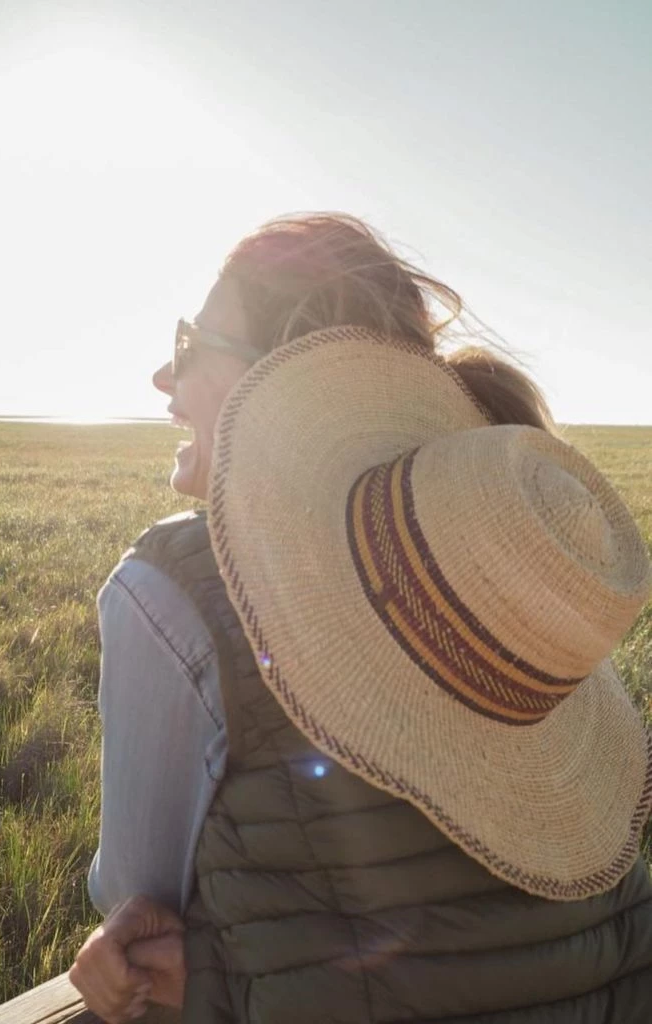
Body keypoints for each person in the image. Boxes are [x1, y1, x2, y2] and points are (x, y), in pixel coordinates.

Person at [69, 214, 652, 1023]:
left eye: (190, 343)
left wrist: (216, 977)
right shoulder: (515, 583)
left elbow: (134, 902)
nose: (161, 381)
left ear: (274, 379)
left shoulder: (172, 587)